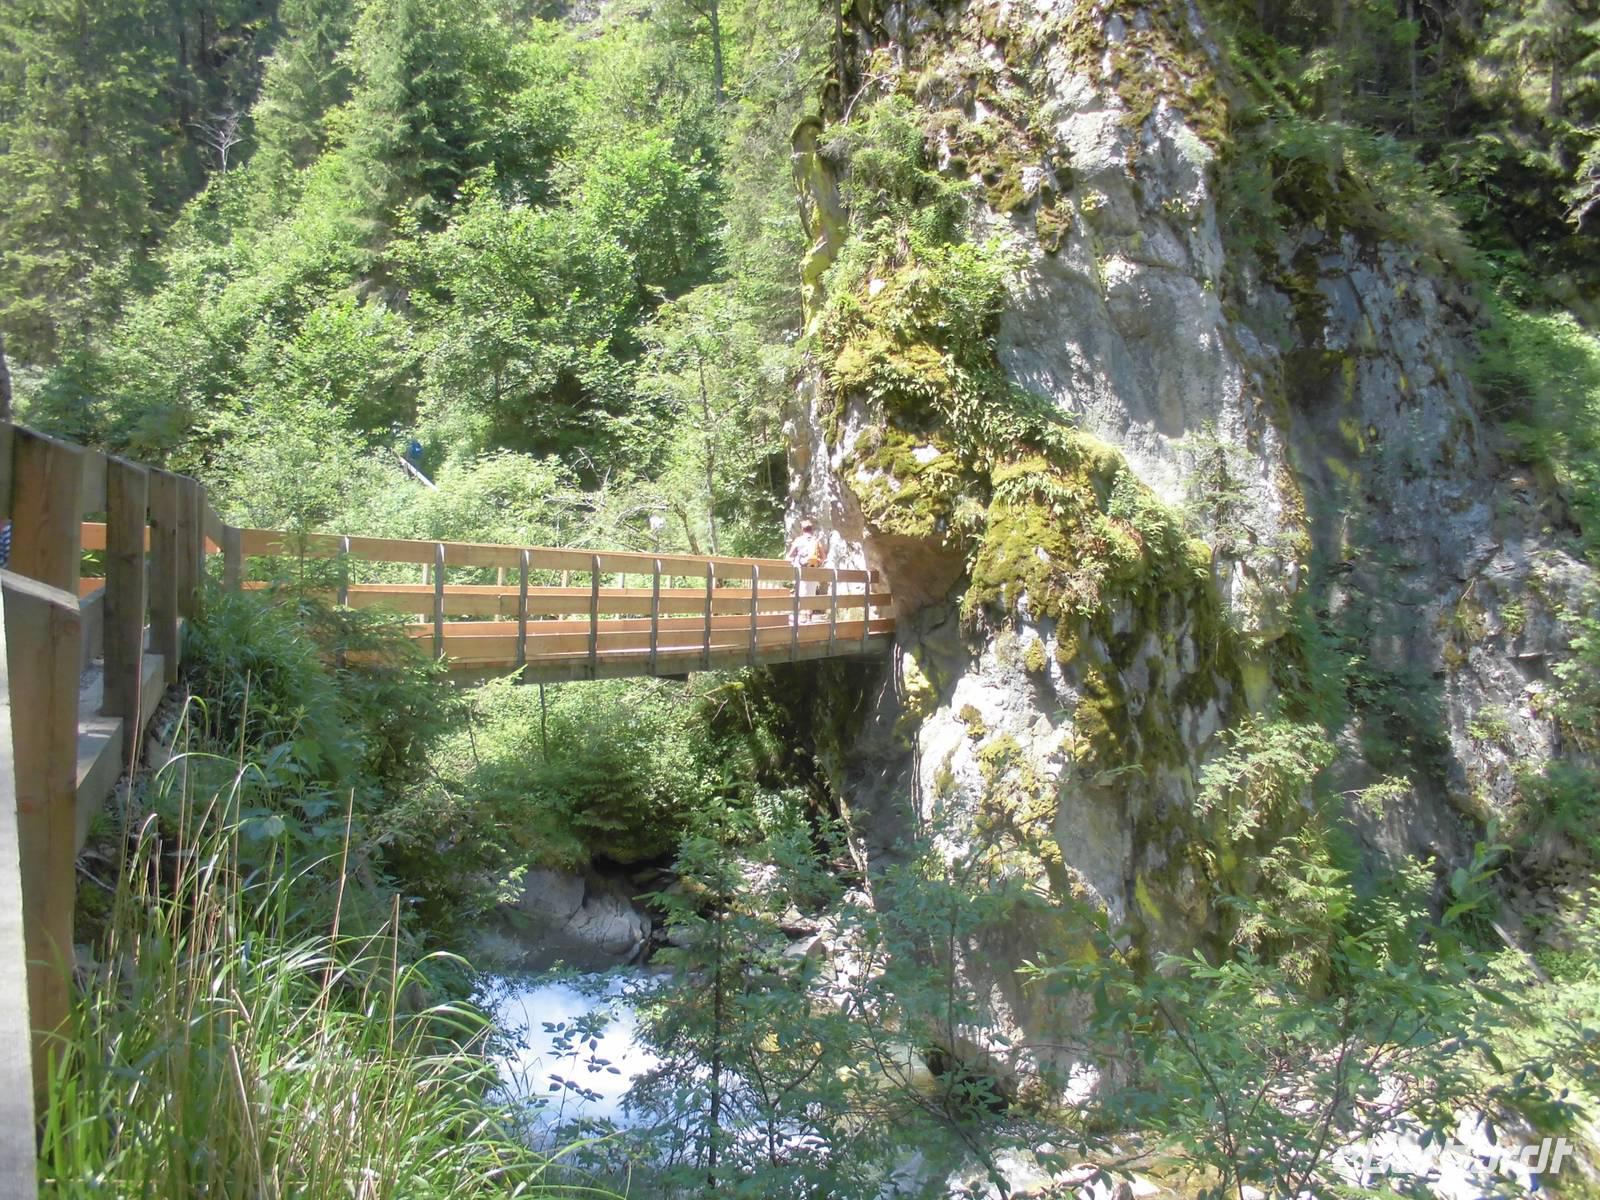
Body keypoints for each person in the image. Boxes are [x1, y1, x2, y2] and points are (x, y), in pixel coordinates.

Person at [786, 519, 824, 616]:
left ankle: (803, 617)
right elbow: (823, 557)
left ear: (802, 529)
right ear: (811, 529)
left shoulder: (798, 540)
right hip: (813, 571)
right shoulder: (816, 541)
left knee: (802, 594)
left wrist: (794, 561)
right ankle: (809, 617)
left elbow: (789, 555)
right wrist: (817, 562)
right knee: (811, 594)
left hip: (801, 571)